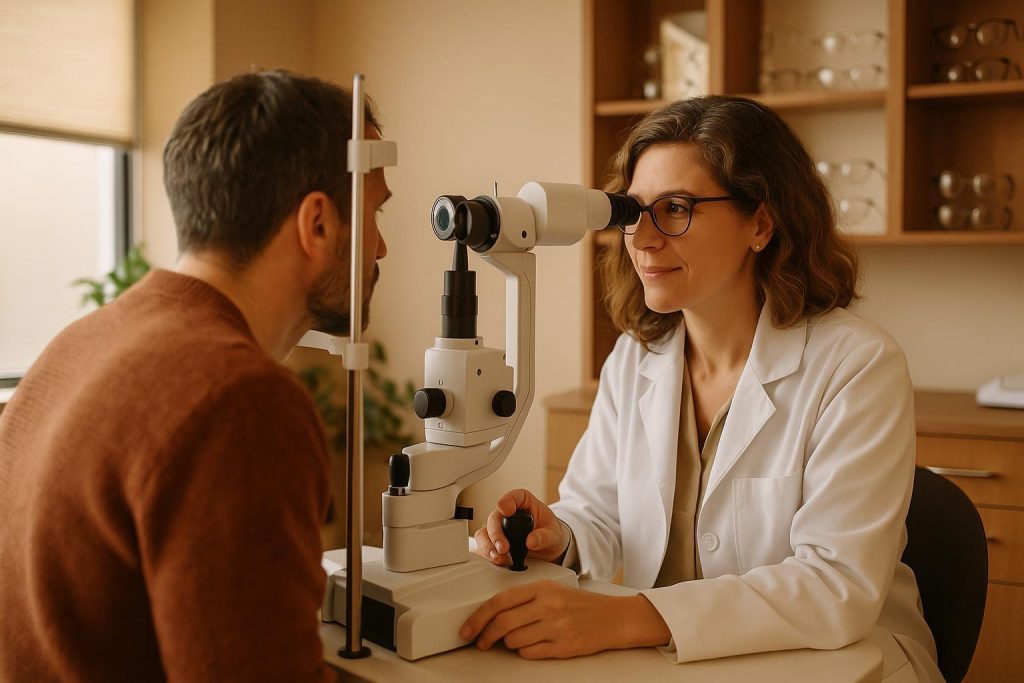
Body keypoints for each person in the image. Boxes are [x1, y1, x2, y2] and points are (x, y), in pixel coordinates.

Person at [463, 96, 942, 682]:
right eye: (633, 212)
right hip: (683, 665)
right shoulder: (635, 359)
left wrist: (624, 618)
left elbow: (834, 586)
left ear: (761, 223)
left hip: (845, 664)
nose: (643, 238)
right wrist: (554, 535)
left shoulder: (857, 366)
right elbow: (600, 516)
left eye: (677, 208)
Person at [0, 70, 391, 681]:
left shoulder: (79, 344)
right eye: (374, 213)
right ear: (317, 224)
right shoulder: (239, 400)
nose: (382, 248)